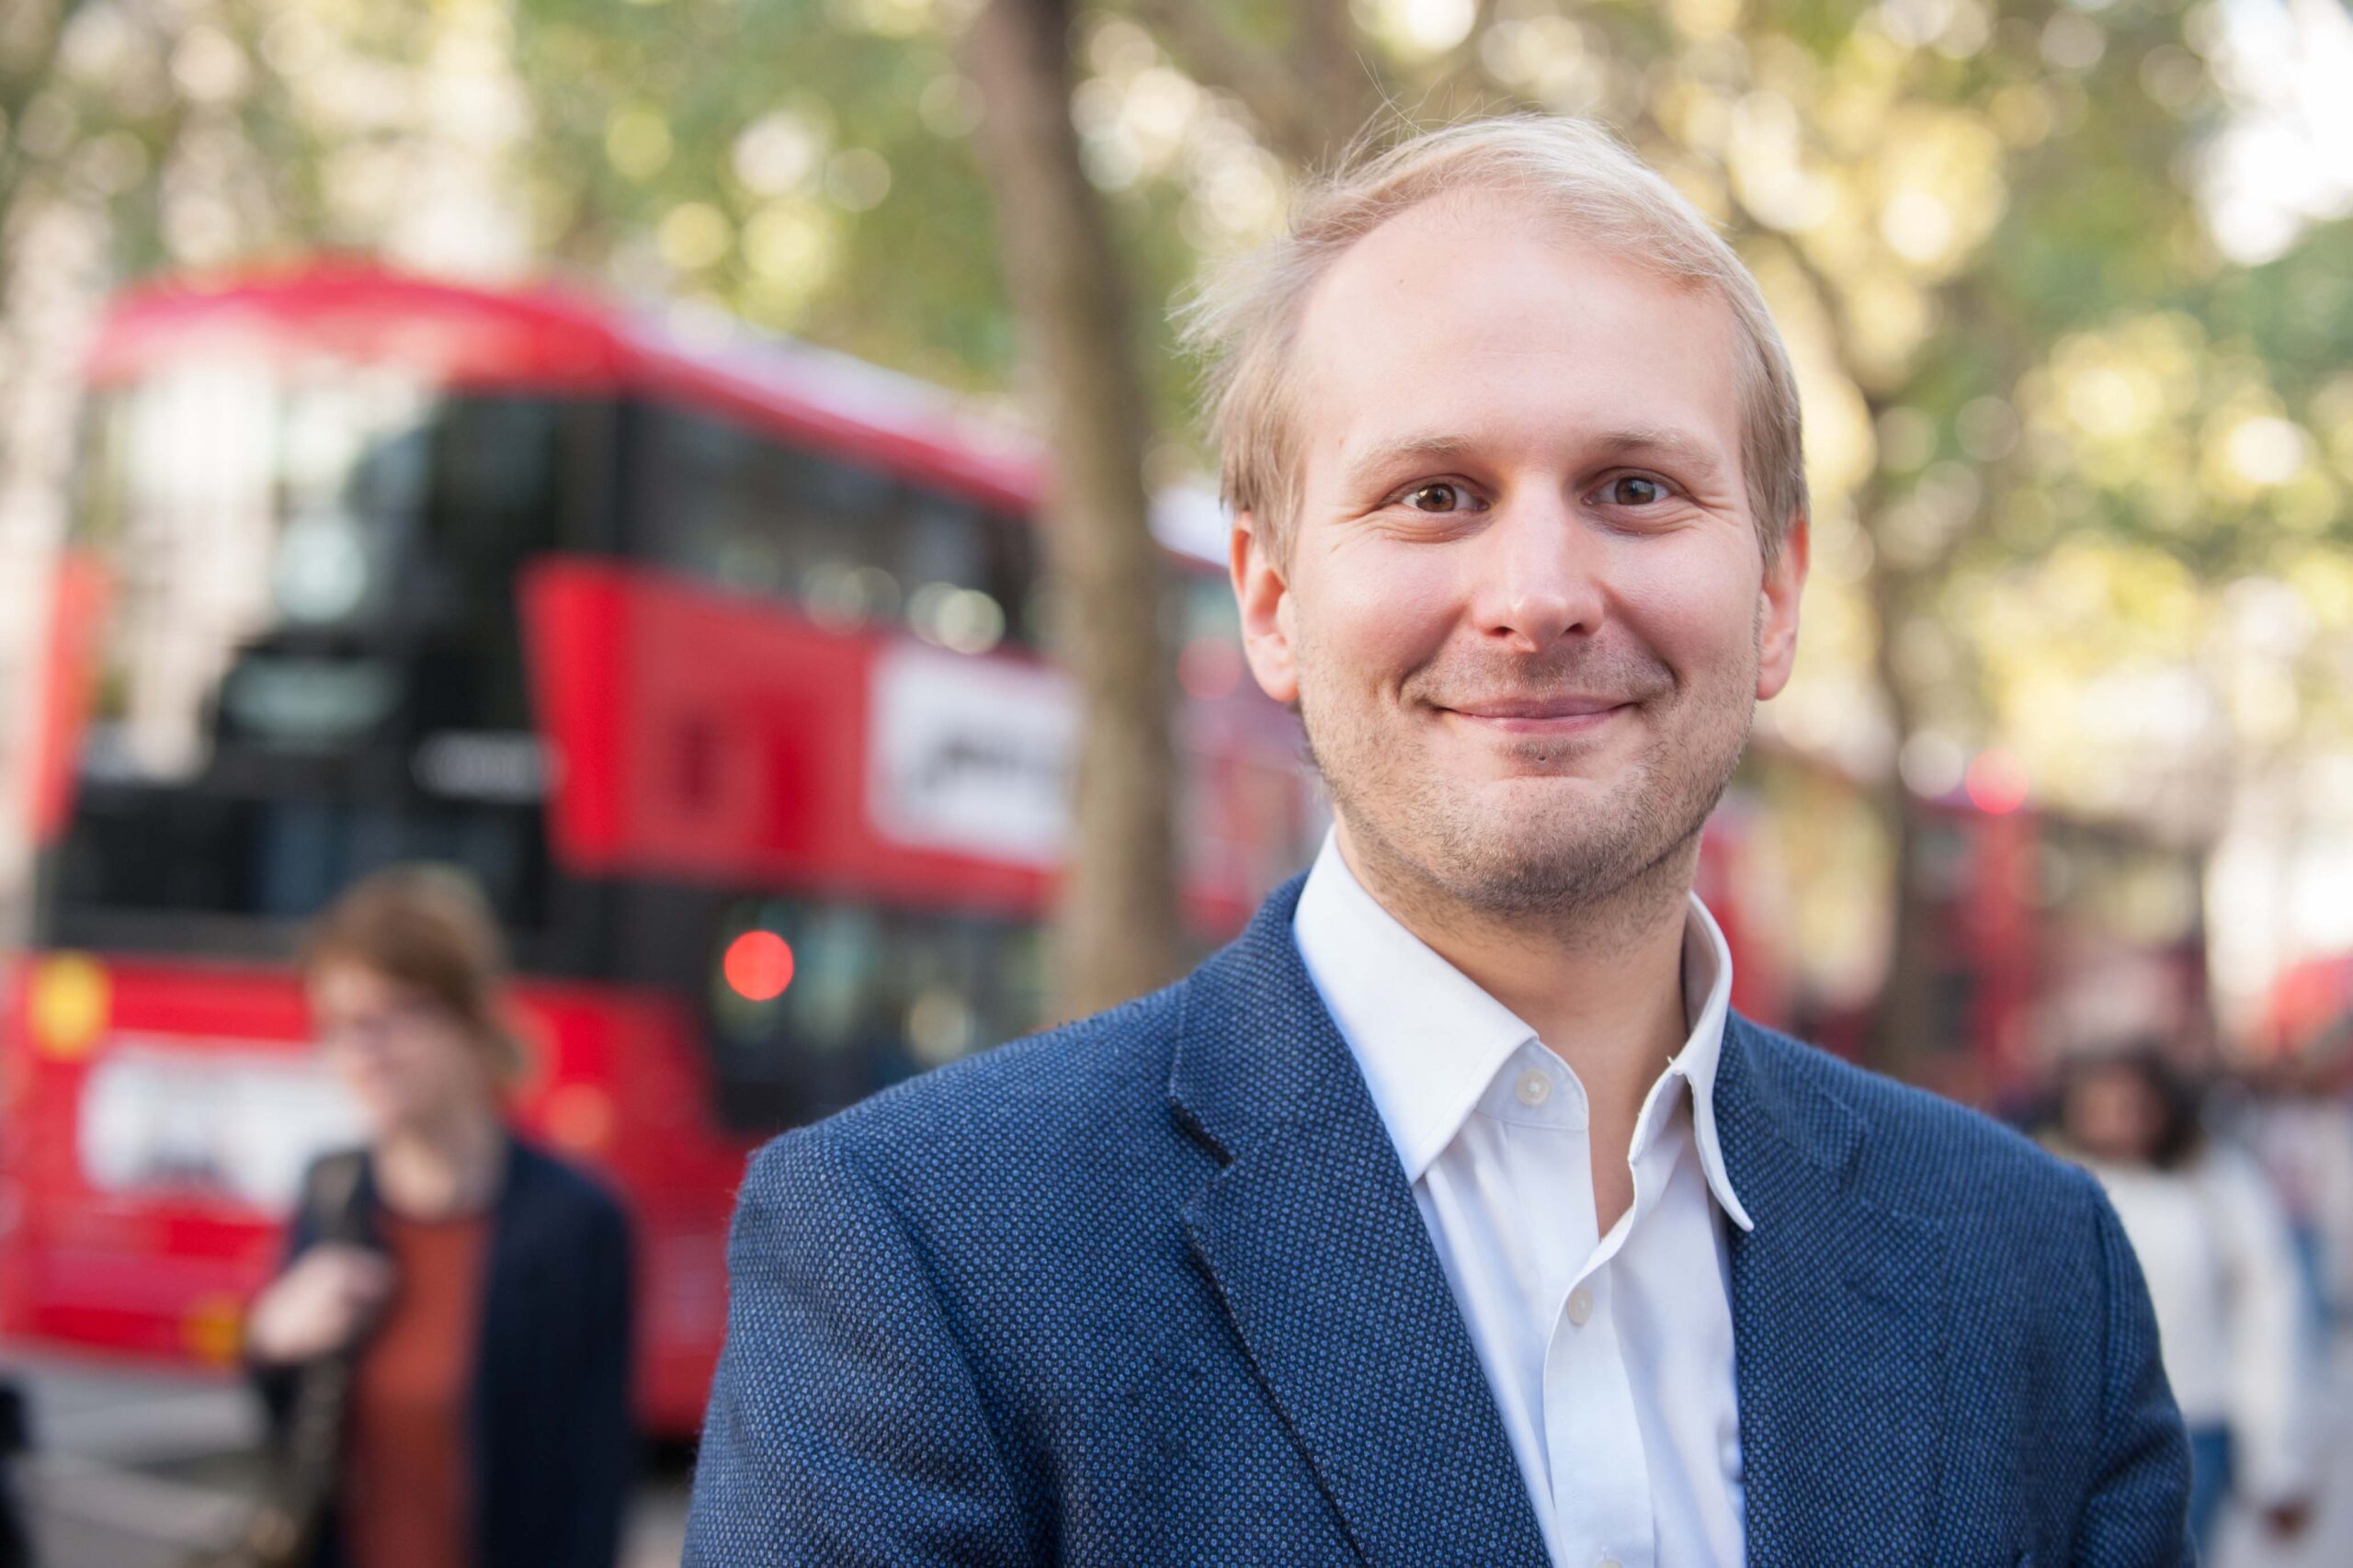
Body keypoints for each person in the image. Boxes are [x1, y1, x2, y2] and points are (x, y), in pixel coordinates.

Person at [686, 116, 2191, 1566]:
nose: (1536, 593)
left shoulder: (2034, 1270)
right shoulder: (924, 1255)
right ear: (1271, 602)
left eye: (1635, 489)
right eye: (1434, 496)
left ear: (1778, 595)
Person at [244, 866, 634, 1568]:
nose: (364, 1051)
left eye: (391, 1017)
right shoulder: (333, 1195)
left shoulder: (579, 1224)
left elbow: (592, 1488)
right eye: (339, 1026)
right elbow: (292, 1448)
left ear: (468, 1019)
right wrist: (270, 1341)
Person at [2055, 1047, 2314, 1556]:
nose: (2114, 1121)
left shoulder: (2213, 1183)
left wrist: (2277, 1456)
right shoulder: (2049, 1184)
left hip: (2196, 1424)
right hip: (2084, 1436)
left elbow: (2267, 1308)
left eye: (2130, 1104)